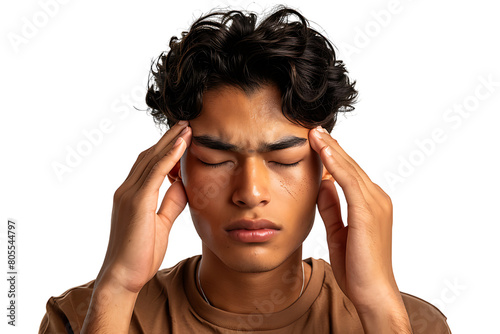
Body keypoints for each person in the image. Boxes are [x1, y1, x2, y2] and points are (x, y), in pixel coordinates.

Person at [39, 5, 451, 333]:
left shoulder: (412, 325)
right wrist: (116, 290)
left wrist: (379, 306)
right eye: (216, 159)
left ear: (327, 168)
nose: (250, 192)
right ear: (175, 170)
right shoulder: (79, 319)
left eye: (284, 159)